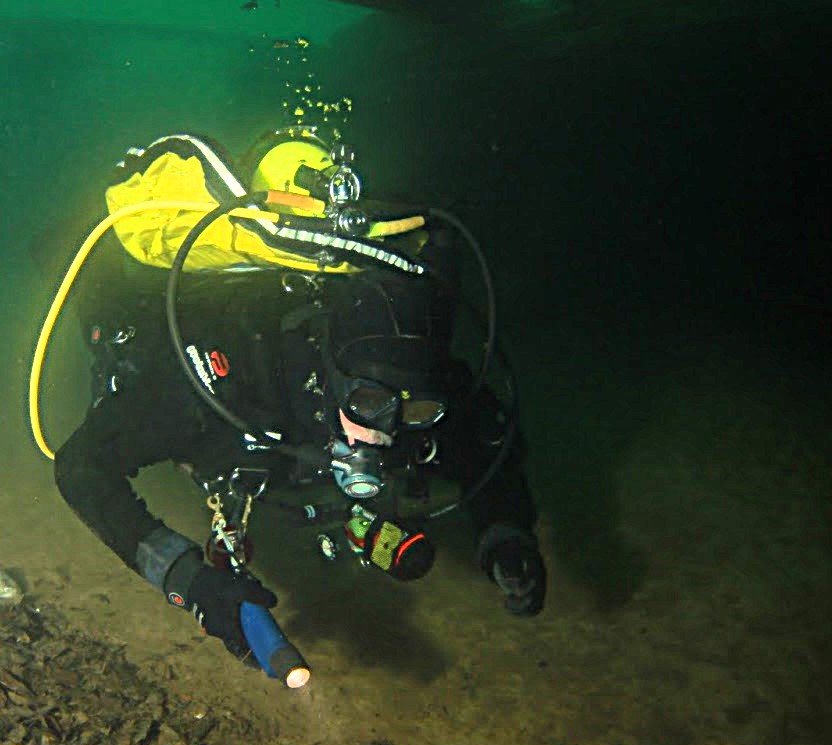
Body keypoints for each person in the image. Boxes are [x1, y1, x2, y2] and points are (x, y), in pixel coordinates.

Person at [50, 126, 546, 666]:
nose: (385, 432)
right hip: (163, 319)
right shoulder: (228, 383)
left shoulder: (417, 384)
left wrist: (505, 531)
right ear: (329, 378)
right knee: (102, 300)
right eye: (368, 403)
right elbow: (81, 467)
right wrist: (189, 582)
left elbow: (487, 445)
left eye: (415, 410)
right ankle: (70, 236)